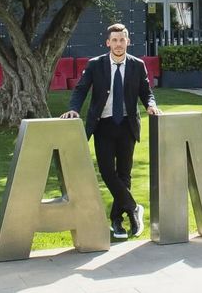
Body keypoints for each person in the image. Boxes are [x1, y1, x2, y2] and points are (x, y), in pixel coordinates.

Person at [62, 23, 161, 240]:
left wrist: (151, 105)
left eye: (122, 40)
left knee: (124, 174)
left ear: (128, 41)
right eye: (114, 40)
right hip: (103, 125)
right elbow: (81, 90)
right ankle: (134, 208)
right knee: (107, 172)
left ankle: (117, 220)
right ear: (108, 42)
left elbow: (146, 91)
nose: (118, 44)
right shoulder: (95, 65)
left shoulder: (137, 65)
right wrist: (73, 109)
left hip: (127, 125)